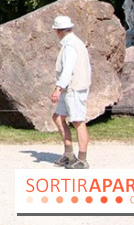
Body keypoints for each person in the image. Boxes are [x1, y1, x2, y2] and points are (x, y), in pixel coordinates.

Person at [50, 15, 92, 169]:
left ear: (58, 31)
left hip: (74, 88)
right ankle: (69, 153)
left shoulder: (71, 46)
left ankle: (82, 158)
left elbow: (68, 69)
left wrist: (58, 88)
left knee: (78, 121)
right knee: (58, 117)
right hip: (71, 87)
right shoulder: (74, 43)